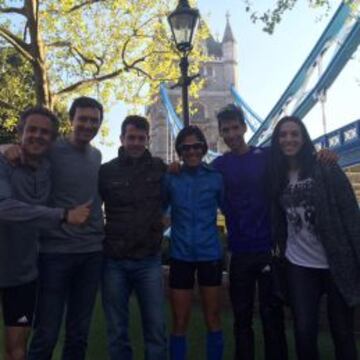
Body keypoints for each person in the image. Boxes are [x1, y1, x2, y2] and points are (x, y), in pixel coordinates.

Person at [0, 107, 90, 360]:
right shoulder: (3, 161)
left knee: (17, 350)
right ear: (20, 132)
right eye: (32, 130)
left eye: (45, 133)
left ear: (52, 140)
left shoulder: (49, 169)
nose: (38, 136)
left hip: (22, 274)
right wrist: (62, 215)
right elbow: (2, 207)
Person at [269, 115, 360, 360]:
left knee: (342, 332)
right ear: (277, 141)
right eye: (283, 135)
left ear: (304, 138)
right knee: (304, 331)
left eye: (294, 134)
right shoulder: (276, 176)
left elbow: (351, 215)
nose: (289, 139)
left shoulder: (326, 166)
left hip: (336, 261)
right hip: (299, 265)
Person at [25, 97, 104, 360]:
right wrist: (5, 149)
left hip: (91, 254)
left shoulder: (97, 155)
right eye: (83, 119)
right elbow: (24, 148)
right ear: (71, 121)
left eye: (94, 121)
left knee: (79, 333)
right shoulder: (51, 149)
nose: (88, 125)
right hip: (54, 254)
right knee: (46, 332)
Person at [212, 104, 288, 360]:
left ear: (244, 127)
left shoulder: (267, 156)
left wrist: (324, 156)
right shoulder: (217, 165)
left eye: (235, 128)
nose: (231, 134)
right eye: (226, 130)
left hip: (268, 248)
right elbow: (194, 178)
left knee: (272, 315)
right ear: (220, 133)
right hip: (239, 251)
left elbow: (300, 159)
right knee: (241, 317)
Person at [99, 115, 167, 360]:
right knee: (117, 330)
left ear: (148, 140)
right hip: (114, 261)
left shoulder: (161, 167)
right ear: (122, 139)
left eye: (141, 138)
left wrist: (167, 216)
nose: (136, 143)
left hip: (148, 259)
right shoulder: (105, 171)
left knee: (156, 329)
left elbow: (177, 194)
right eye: (131, 137)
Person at [163, 126, 224, 360]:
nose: (191, 151)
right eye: (186, 148)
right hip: (180, 255)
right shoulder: (171, 178)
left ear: (203, 148)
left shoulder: (216, 178)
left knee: (213, 316)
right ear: (179, 150)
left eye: (196, 146)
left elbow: (233, 207)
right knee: (179, 320)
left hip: (210, 254)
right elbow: (157, 208)